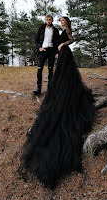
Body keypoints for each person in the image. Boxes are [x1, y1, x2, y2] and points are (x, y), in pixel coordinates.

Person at [19, 16, 96, 189]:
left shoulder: (66, 29)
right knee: (55, 75)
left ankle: (66, 92)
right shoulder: (51, 29)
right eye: (59, 20)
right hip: (60, 54)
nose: (60, 22)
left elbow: (71, 39)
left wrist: (62, 45)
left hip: (65, 54)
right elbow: (47, 40)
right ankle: (44, 88)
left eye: (62, 20)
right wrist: (54, 48)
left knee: (64, 76)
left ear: (65, 22)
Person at [33, 14, 60, 96]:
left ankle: (50, 89)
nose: (48, 21)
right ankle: (38, 88)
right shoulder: (41, 29)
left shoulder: (55, 30)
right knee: (39, 69)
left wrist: (57, 53)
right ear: (45, 20)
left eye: (50, 19)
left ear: (52, 20)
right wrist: (39, 48)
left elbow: (58, 43)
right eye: (47, 19)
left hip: (51, 51)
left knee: (50, 70)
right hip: (43, 51)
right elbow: (36, 40)